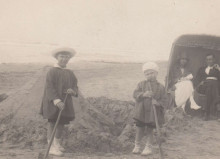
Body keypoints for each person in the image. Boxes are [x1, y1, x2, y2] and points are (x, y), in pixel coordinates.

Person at [40, 47, 78, 156]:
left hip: (66, 101)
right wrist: (57, 101)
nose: (64, 59)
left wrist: (73, 91)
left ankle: (56, 143)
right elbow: (49, 87)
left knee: (61, 123)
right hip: (53, 102)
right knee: (52, 123)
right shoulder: (51, 72)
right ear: (57, 57)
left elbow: (75, 85)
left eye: (67, 57)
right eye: (62, 57)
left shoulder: (70, 72)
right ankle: (50, 146)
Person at [132, 62, 166, 156]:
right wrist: (143, 94)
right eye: (147, 74)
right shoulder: (141, 84)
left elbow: (164, 100)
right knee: (139, 128)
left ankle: (148, 147)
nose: (149, 75)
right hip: (141, 112)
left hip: (152, 113)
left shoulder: (161, 87)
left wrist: (157, 103)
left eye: (151, 73)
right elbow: (134, 94)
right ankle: (137, 145)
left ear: (156, 73)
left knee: (150, 130)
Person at [194, 53, 220, 120]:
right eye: (207, 59)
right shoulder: (202, 69)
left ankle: (206, 113)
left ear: (214, 60)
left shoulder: (217, 69)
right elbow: (196, 79)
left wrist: (219, 68)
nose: (209, 61)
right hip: (203, 86)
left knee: (210, 88)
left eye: (210, 59)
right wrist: (200, 83)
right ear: (206, 60)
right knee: (210, 86)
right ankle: (218, 109)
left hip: (214, 86)